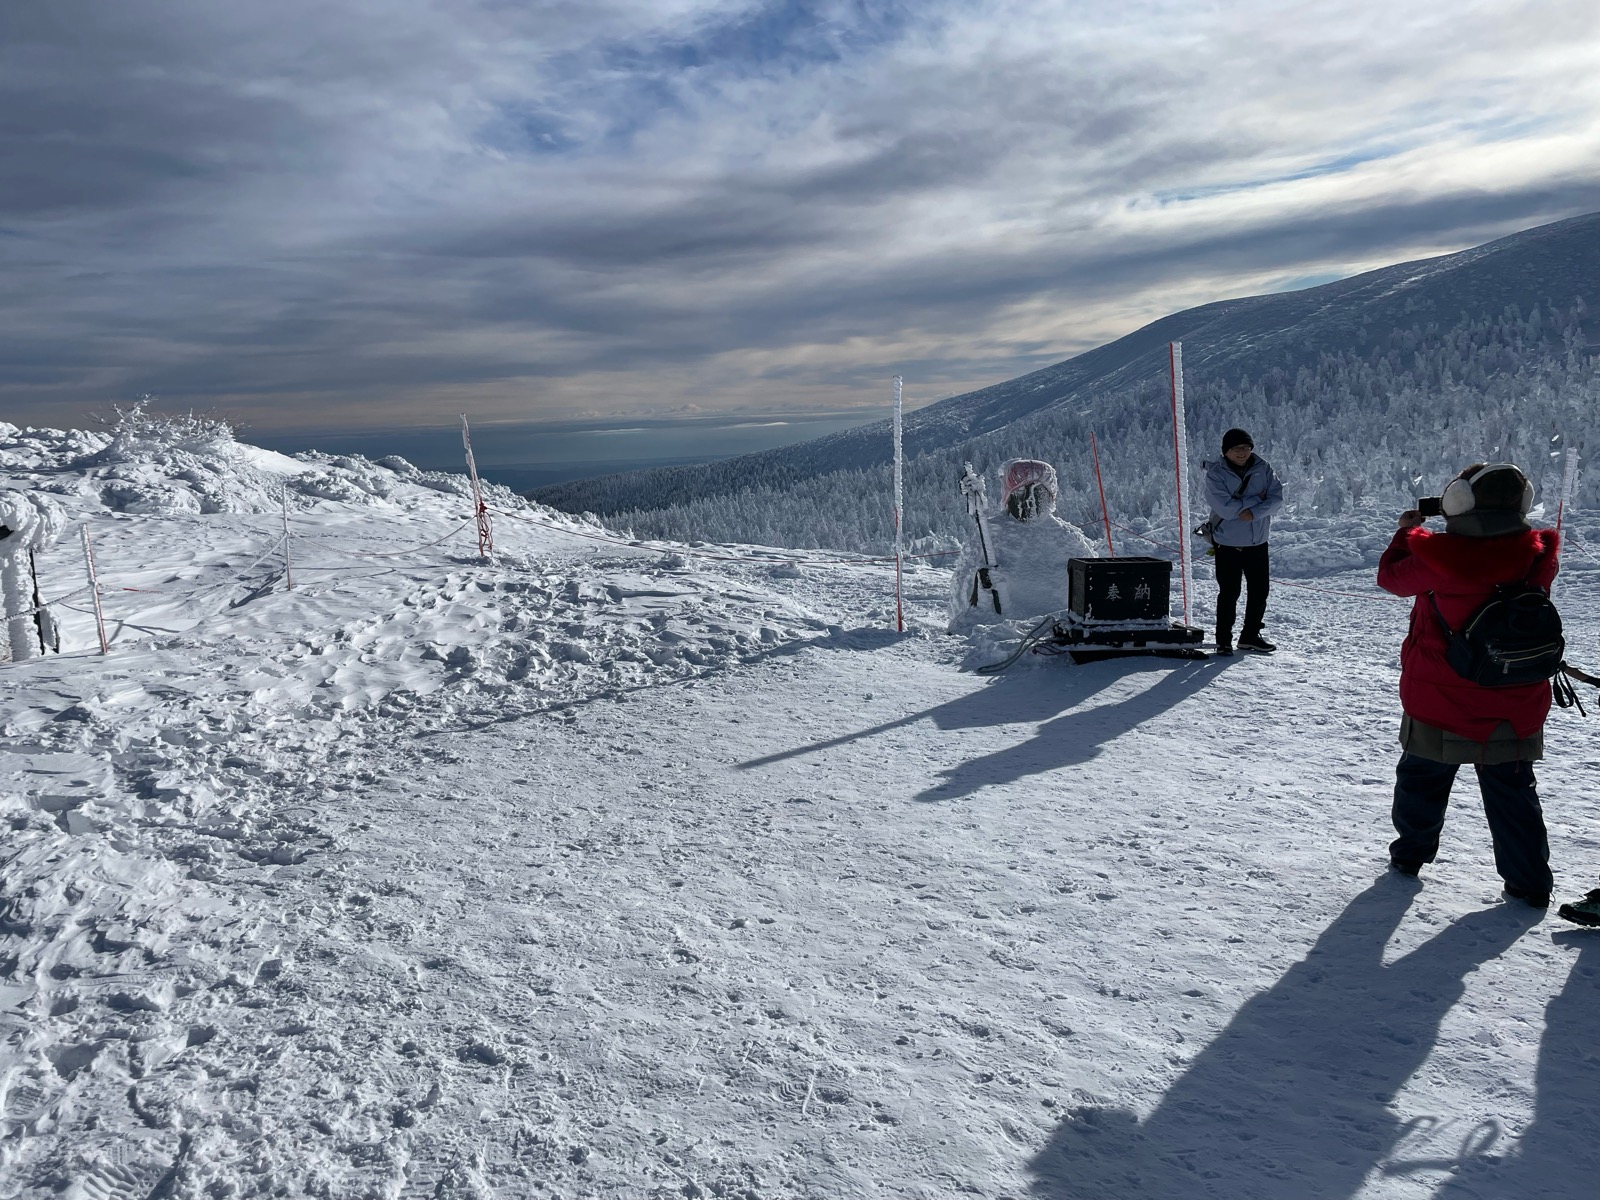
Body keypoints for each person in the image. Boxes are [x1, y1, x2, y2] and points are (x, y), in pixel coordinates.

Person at [1376, 463, 1559, 908]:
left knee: (1421, 781)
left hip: (1439, 699)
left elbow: (1391, 578)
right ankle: (1529, 883)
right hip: (1515, 699)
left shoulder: (1437, 556)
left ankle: (1409, 858)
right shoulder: (1539, 555)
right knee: (1513, 795)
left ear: (1459, 502)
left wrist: (1406, 534)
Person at [1203, 428, 1283, 655]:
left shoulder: (1263, 468)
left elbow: (1277, 499)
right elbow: (1224, 508)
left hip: (1258, 542)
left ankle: (1250, 636)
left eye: (1247, 448)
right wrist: (1257, 502)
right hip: (1228, 543)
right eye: (1237, 448)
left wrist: (1254, 511)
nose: (1242, 452)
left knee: (1260, 592)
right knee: (1229, 592)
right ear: (1226, 451)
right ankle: (1223, 640)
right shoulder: (1216, 474)